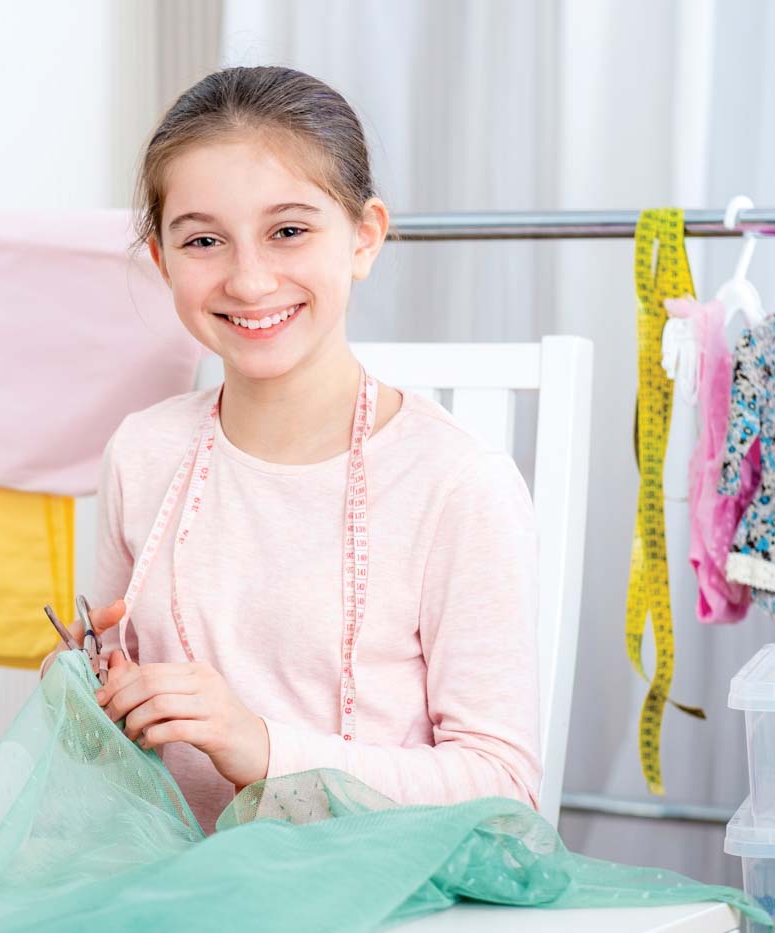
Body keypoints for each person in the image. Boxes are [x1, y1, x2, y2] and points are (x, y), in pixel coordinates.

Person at [42, 65, 540, 830]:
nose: (248, 279)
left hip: (384, 898)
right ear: (162, 260)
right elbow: (108, 753)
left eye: (289, 231)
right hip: (179, 889)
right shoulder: (142, 453)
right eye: (204, 239)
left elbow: (505, 789)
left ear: (364, 237)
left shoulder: (456, 483)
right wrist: (80, 698)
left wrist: (263, 746)